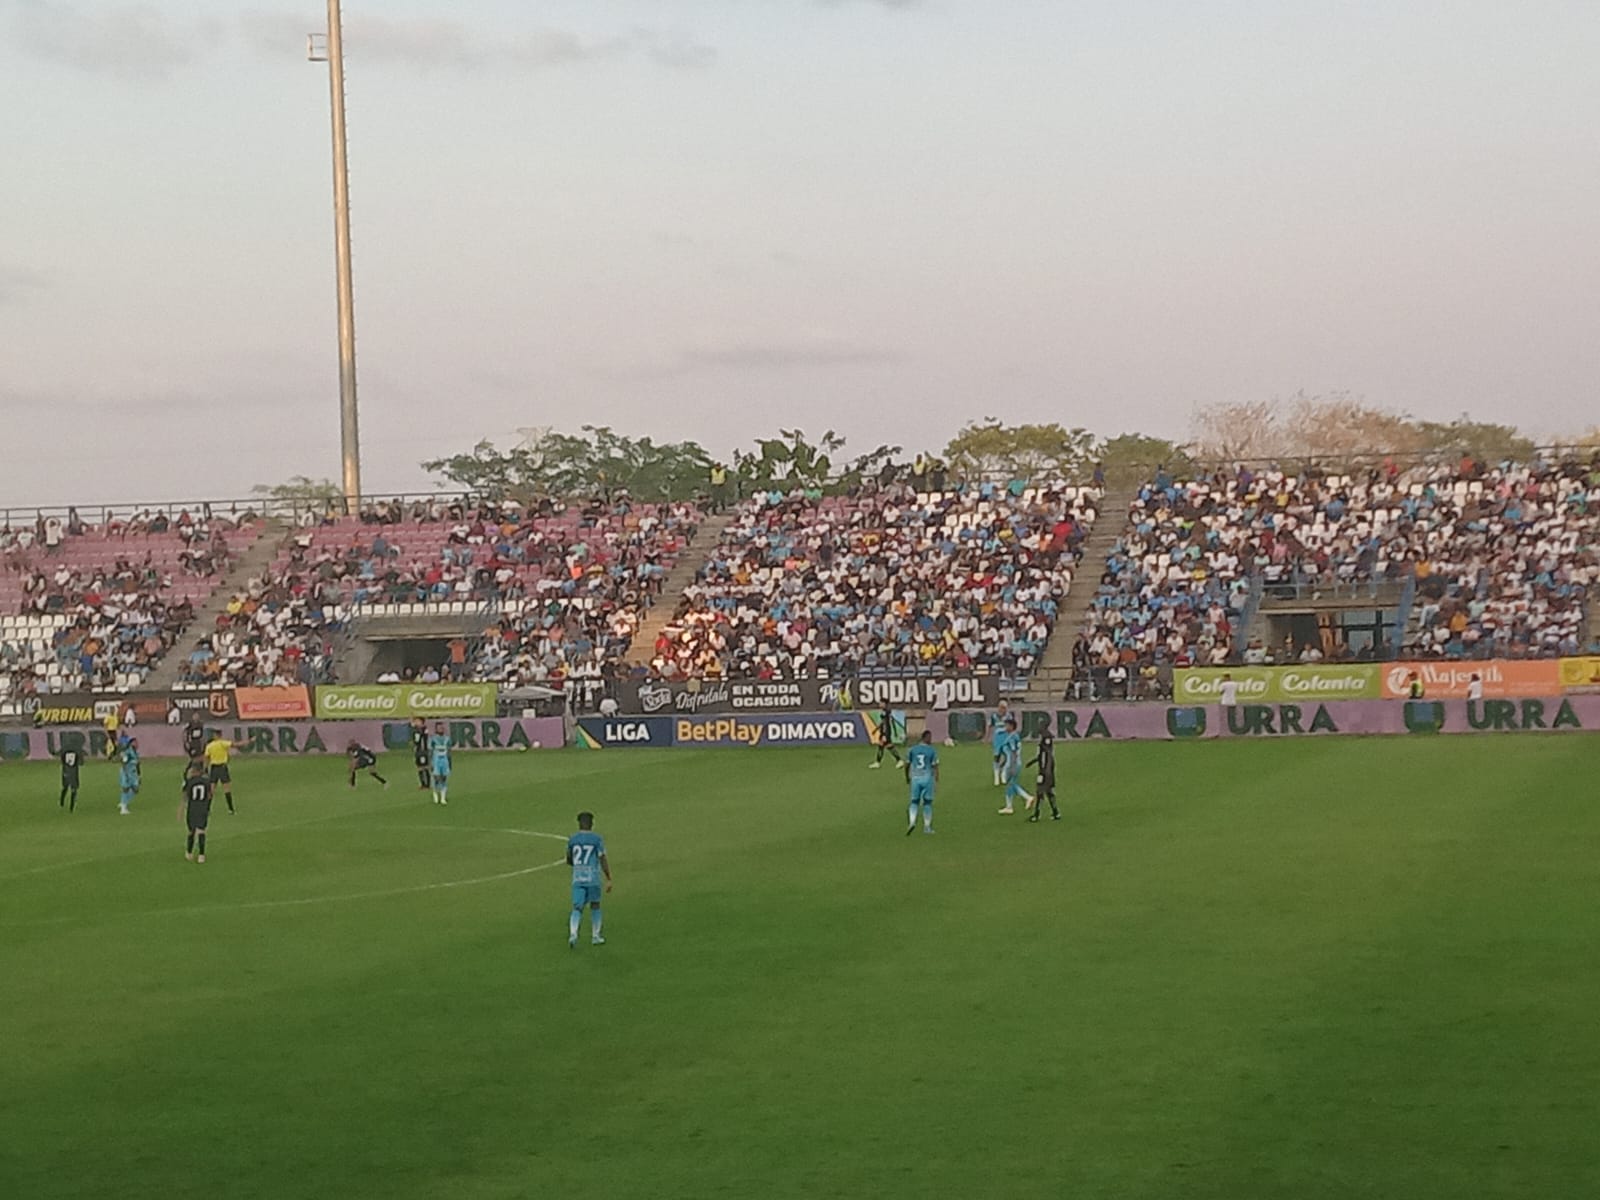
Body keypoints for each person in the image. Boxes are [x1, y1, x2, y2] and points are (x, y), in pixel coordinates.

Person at [566, 811, 612, 949]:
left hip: (578, 879)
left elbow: (569, 859)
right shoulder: (596, 839)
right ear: (592, 824)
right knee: (595, 905)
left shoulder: (572, 839)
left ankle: (573, 934)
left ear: (579, 824)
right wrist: (608, 877)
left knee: (577, 907)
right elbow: (602, 858)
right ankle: (596, 936)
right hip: (593, 879)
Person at [903, 730, 938, 836]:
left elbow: (906, 764)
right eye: (930, 737)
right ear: (926, 738)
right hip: (927, 778)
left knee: (914, 801)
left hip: (915, 778)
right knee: (927, 803)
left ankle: (912, 822)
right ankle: (927, 827)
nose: (931, 740)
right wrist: (936, 780)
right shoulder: (932, 750)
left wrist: (907, 777)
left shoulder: (912, 749)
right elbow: (935, 766)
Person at [995, 717, 1033, 816]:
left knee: (1011, 784)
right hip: (1014, 763)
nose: (1005, 727)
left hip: (1012, 763)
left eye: (1007, 725)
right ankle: (1010, 805)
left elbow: (1013, 752)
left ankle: (1025, 798)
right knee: (1011, 784)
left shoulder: (1012, 737)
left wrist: (1011, 765)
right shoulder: (1014, 736)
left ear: (1012, 726)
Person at [1026, 728, 1061, 823]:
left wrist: (1043, 773)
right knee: (1049, 792)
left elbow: (1045, 761)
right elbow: (1041, 757)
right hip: (1048, 773)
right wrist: (1032, 762)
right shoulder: (1047, 749)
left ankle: (1036, 815)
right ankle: (1056, 813)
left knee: (1040, 792)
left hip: (1044, 773)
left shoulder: (1044, 749)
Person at [181, 758, 212, 863]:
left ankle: (189, 853)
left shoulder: (190, 781)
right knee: (201, 831)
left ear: (195, 771)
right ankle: (201, 855)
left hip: (192, 808)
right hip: (203, 808)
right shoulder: (206, 781)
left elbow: (185, 795)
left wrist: (181, 809)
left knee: (191, 831)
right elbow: (209, 795)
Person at [203, 733, 241, 814]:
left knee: (212, 789)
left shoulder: (209, 746)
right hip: (222, 767)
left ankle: (207, 809)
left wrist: (205, 768)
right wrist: (249, 741)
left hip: (214, 768)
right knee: (226, 789)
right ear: (220, 736)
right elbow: (235, 745)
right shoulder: (223, 743)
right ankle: (231, 809)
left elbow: (206, 758)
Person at [868, 703, 901, 769]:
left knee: (886, 746)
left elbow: (886, 723)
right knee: (884, 746)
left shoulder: (886, 712)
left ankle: (899, 760)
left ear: (884, 704)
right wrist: (876, 729)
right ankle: (878, 762)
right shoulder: (885, 712)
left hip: (885, 732)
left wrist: (885, 734)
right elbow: (883, 722)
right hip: (884, 732)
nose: (879, 704)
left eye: (881, 703)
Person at [988, 700, 1011, 787]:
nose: (1003, 710)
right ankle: (996, 776)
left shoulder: (1009, 716)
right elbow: (990, 726)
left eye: (1005, 708)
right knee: (997, 757)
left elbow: (1011, 727)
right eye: (1002, 708)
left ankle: (1003, 773)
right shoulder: (994, 716)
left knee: (1007, 757)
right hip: (997, 740)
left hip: (1006, 739)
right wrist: (988, 737)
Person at [428, 723, 452, 805]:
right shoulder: (433, 739)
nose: (441, 729)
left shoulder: (447, 739)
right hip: (436, 760)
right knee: (437, 778)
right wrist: (430, 762)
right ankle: (435, 794)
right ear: (436, 729)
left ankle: (443, 798)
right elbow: (430, 751)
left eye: (442, 728)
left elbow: (449, 751)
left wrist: (450, 762)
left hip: (444, 760)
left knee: (444, 778)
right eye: (439, 728)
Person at [118, 737, 141, 815]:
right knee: (126, 789)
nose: (137, 744)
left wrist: (139, 775)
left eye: (137, 742)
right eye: (135, 742)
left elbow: (137, 764)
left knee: (136, 789)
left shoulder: (136, 753)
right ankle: (123, 808)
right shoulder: (128, 753)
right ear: (131, 743)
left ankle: (123, 802)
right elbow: (124, 763)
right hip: (126, 772)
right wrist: (126, 775)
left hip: (133, 773)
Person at [59, 742, 84, 812]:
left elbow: (62, 761)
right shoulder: (77, 752)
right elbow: (81, 763)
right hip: (73, 773)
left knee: (65, 787)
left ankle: (62, 802)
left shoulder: (64, 752)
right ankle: (71, 807)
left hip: (66, 772)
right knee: (73, 789)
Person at [410, 717, 431, 790]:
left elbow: (422, 737)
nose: (416, 722)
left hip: (423, 751)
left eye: (417, 721)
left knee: (425, 767)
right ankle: (422, 784)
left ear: (422, 722)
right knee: (419, 768)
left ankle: (427, 785)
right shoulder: (415, 730)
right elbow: (415, 740)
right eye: (415, 721)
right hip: (417, 752)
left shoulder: (424, 729)